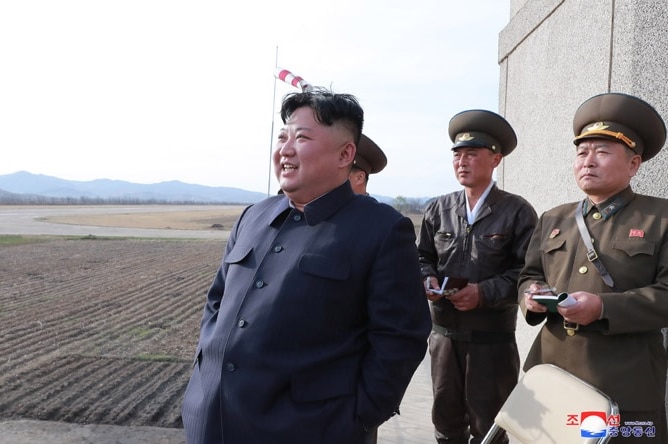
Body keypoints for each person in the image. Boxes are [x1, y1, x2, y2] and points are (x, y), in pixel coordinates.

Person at [181, 88, 432, 444]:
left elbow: (400, 338)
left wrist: (358, 419)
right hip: (214, 422)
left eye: (301, 138)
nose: (285, 149)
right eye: (282, 136)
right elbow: (216, 302)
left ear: (346, 154)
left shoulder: (381, 229)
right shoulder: (254, 216)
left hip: (308, 429)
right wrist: (203, 374)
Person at [519, 92, 668, 442]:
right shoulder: (554, 217)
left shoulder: (660, 218)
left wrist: (602, 307)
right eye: (582, 152)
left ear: (634, 164)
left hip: (622, 388)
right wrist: (530, 295)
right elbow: (530, 275)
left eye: (601, 152)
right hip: (552, 375)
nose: (588, 161)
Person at [417, 109, 538, 444]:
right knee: (446, 422)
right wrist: (425, 279)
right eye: (457, 155)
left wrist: (483, 292)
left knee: (490, 429)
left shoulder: (516, 211)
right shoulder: (438, 209)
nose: (462, 162)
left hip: (491, 342)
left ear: (495, 159)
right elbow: (421, 256)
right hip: (443, 336)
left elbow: (528, 272)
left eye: (472, 154)